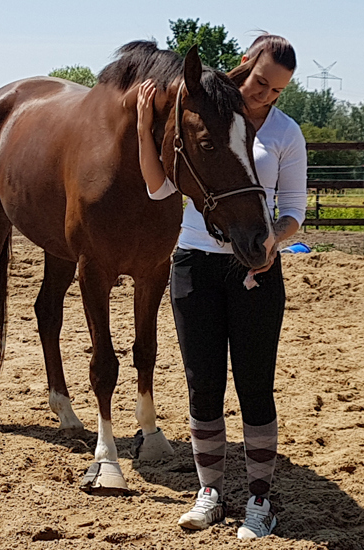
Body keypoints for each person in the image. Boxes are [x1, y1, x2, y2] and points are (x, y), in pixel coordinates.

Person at [136, 34, 307, 540]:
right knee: (203, 385)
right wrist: (145, 129)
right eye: (261, 82)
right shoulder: (206, 114)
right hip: (194, 263)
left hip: (255, 268)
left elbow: (294, 211)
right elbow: (159, 189)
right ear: (244, 65)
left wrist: (273, 239)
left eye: (277, 91)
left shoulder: (286, 132)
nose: (265, 96)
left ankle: (260, 502)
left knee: (255, 386)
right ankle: (209, 493)